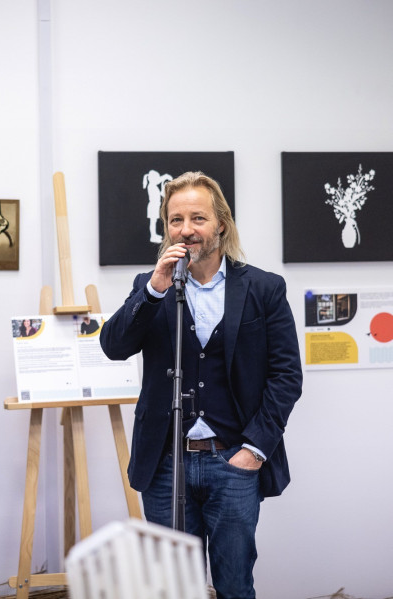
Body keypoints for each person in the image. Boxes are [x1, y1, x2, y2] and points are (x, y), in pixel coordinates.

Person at [100, 171, 302, 599]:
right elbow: (113, 346)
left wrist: (254, 450)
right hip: (165, 463)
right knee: (173, 588)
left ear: (221, 224)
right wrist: (154, 289)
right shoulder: (151, 285)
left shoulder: (264, 289)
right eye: (176, 220)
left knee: (234, 584)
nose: (186, 229)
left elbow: (286, 376)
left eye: (198, 218)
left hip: (233, 460)